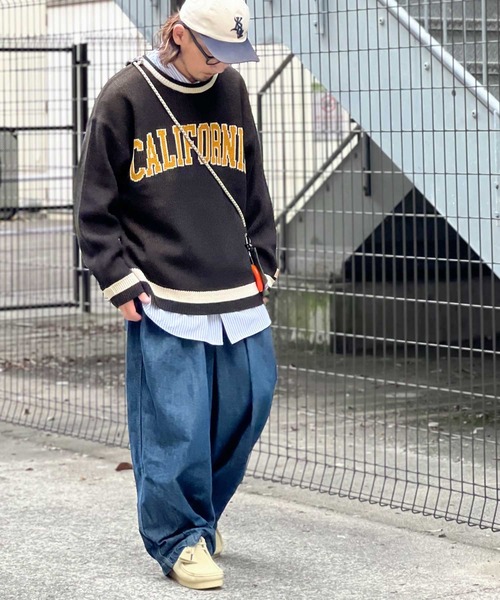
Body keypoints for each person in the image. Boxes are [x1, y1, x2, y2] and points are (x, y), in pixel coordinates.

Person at [73, 0, 278, 591]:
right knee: (175, 420)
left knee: (250, 401)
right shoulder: (125, 96)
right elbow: (94, 202)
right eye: (212, 52)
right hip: (159, 287)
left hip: (233, 280)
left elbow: (252, 176)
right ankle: (178, 537)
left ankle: (200, 514)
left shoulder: (231, 88)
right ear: (179, 34)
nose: (221, 65)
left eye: (231, 55)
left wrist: (264, 253)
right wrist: (117, 276)